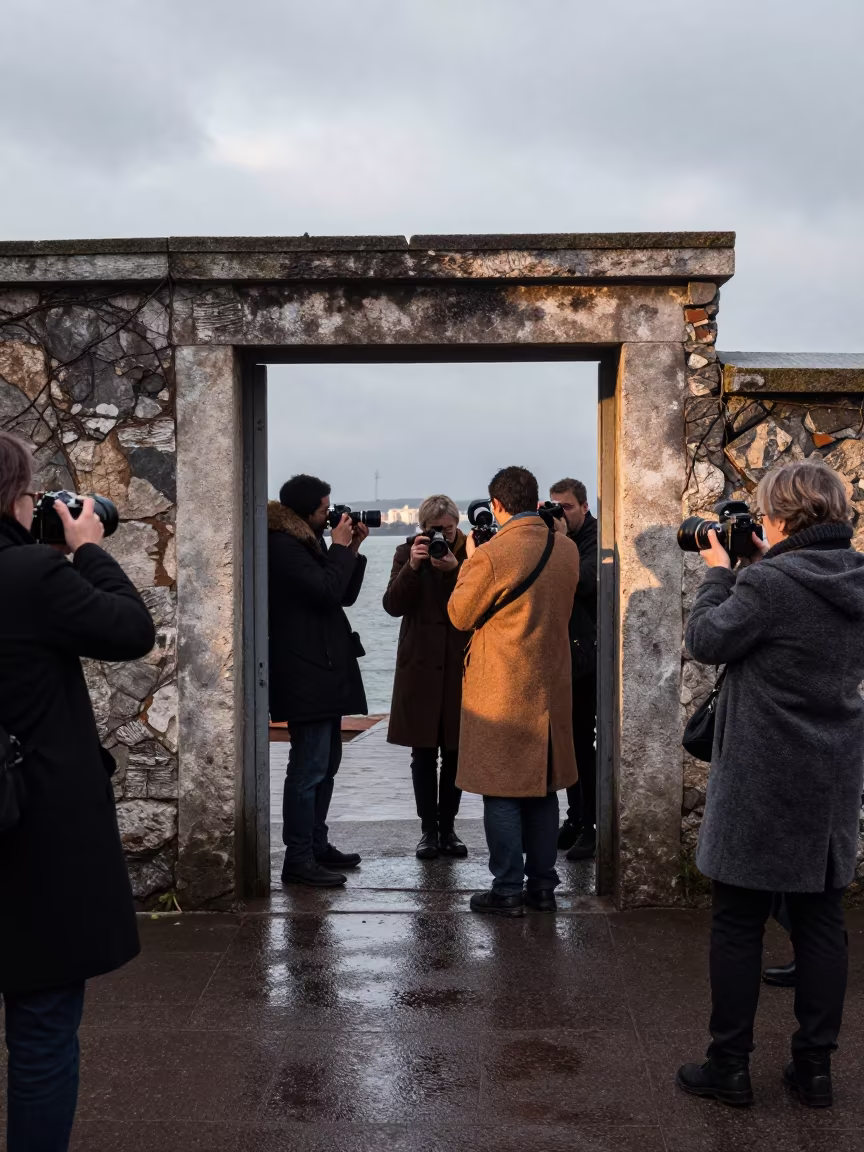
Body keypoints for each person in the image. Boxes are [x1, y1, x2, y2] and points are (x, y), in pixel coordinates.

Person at [676, 459, 864, 1109]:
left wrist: (718, 574)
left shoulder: (770, 585)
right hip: (831, 778)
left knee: (736, 923)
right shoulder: (856, 577)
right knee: (819, 922)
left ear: (779, 516)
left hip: (760, 778)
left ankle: (728, 1066)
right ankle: (814, 1069)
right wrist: (761, 562)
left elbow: (707, 639)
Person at [0, 431, 156, 1152]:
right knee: (40, 1033)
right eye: (32, 493)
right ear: (12, 495)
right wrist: (89, 547)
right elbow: (129, 630)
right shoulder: (31, 575)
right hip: (31, 835)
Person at [448, 466, 580, 916]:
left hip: (502, 689)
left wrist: (469, 561)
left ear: (497, 505)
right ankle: (543, 887)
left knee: (501, 792)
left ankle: (507, 890)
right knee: (543, 789)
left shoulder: (491, 555)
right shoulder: (565, 549)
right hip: (551, 686)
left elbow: (460, 615)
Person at [268, 474, 369, 887]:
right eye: (326, 509)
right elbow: (327, 590)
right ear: (306, 510)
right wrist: (341, 547)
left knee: (326, 764)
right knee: (308, 768)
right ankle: (299, 859)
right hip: (303, 670)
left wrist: (354, 549)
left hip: (322, 668)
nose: (332, 514)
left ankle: (316, 844)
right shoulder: (283, 545)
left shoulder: (306, 542)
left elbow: (342, 594)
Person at [383, 494, 471, 859]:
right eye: (436, 531)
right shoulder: (407, 553)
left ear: (457, 526)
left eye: (449, 530)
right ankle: (427, 830)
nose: (443, 538)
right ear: (423, 529)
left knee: (455, 751)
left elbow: (476, 603)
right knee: (423, 753)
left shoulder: (472, 553)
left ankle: (448, 828)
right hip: (420, 664)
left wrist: (454, 570)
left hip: (458, 664)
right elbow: (393, 605)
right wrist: (413, 569)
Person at [550, 478, 598, 861]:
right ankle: (576, 816)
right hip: (565, 653)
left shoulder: (595, 539)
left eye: (565, 507)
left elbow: (579, 583)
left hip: (587, 657)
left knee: (583, 741)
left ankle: (592, 826)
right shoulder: (560, 540)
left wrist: (560, 540)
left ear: (584, 507)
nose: (559, 514)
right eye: (554, 507)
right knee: (568, 741)